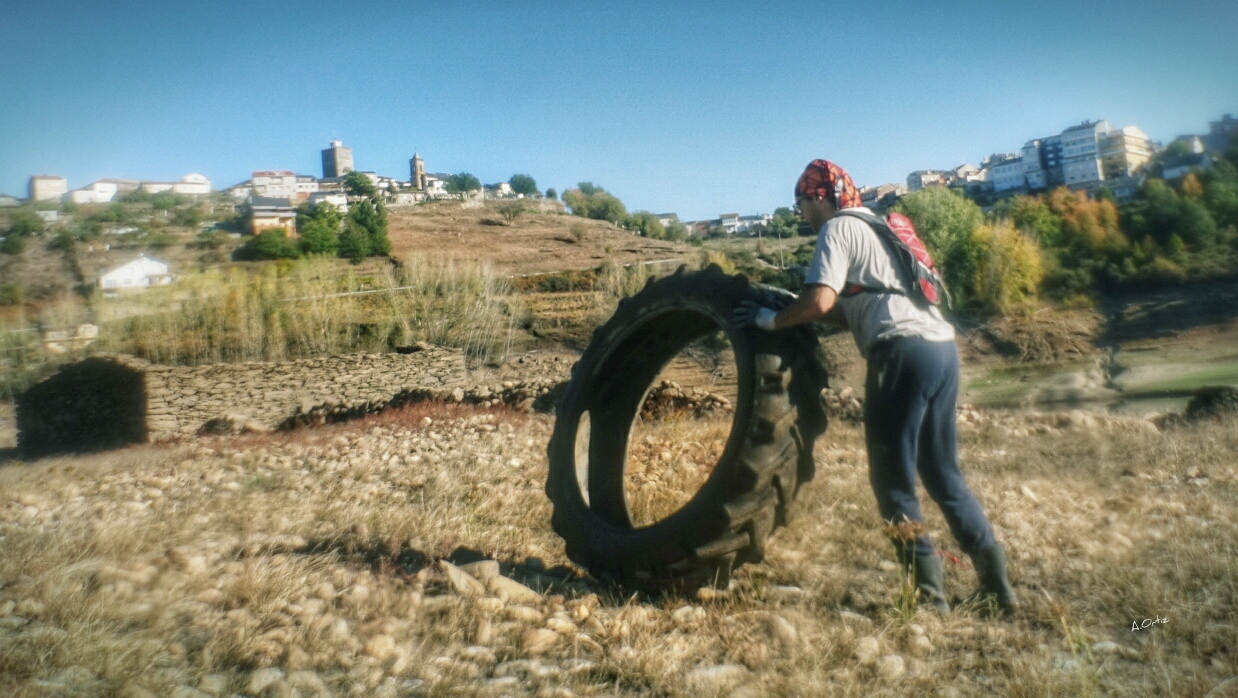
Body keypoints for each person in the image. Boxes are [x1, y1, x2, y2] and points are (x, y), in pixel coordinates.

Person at [734, 159, 1016, 615]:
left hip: (900, 353)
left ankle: (929, 600)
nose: (801, 213)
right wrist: (797, 308)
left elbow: (820, 300)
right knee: (943, 474)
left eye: (801, 203)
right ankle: (998, 590)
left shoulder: (837, 228)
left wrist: (772, 320)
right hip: (941, 351)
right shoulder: (880, 228)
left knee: (892, 483)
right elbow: (850, 311)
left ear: (819, 197)